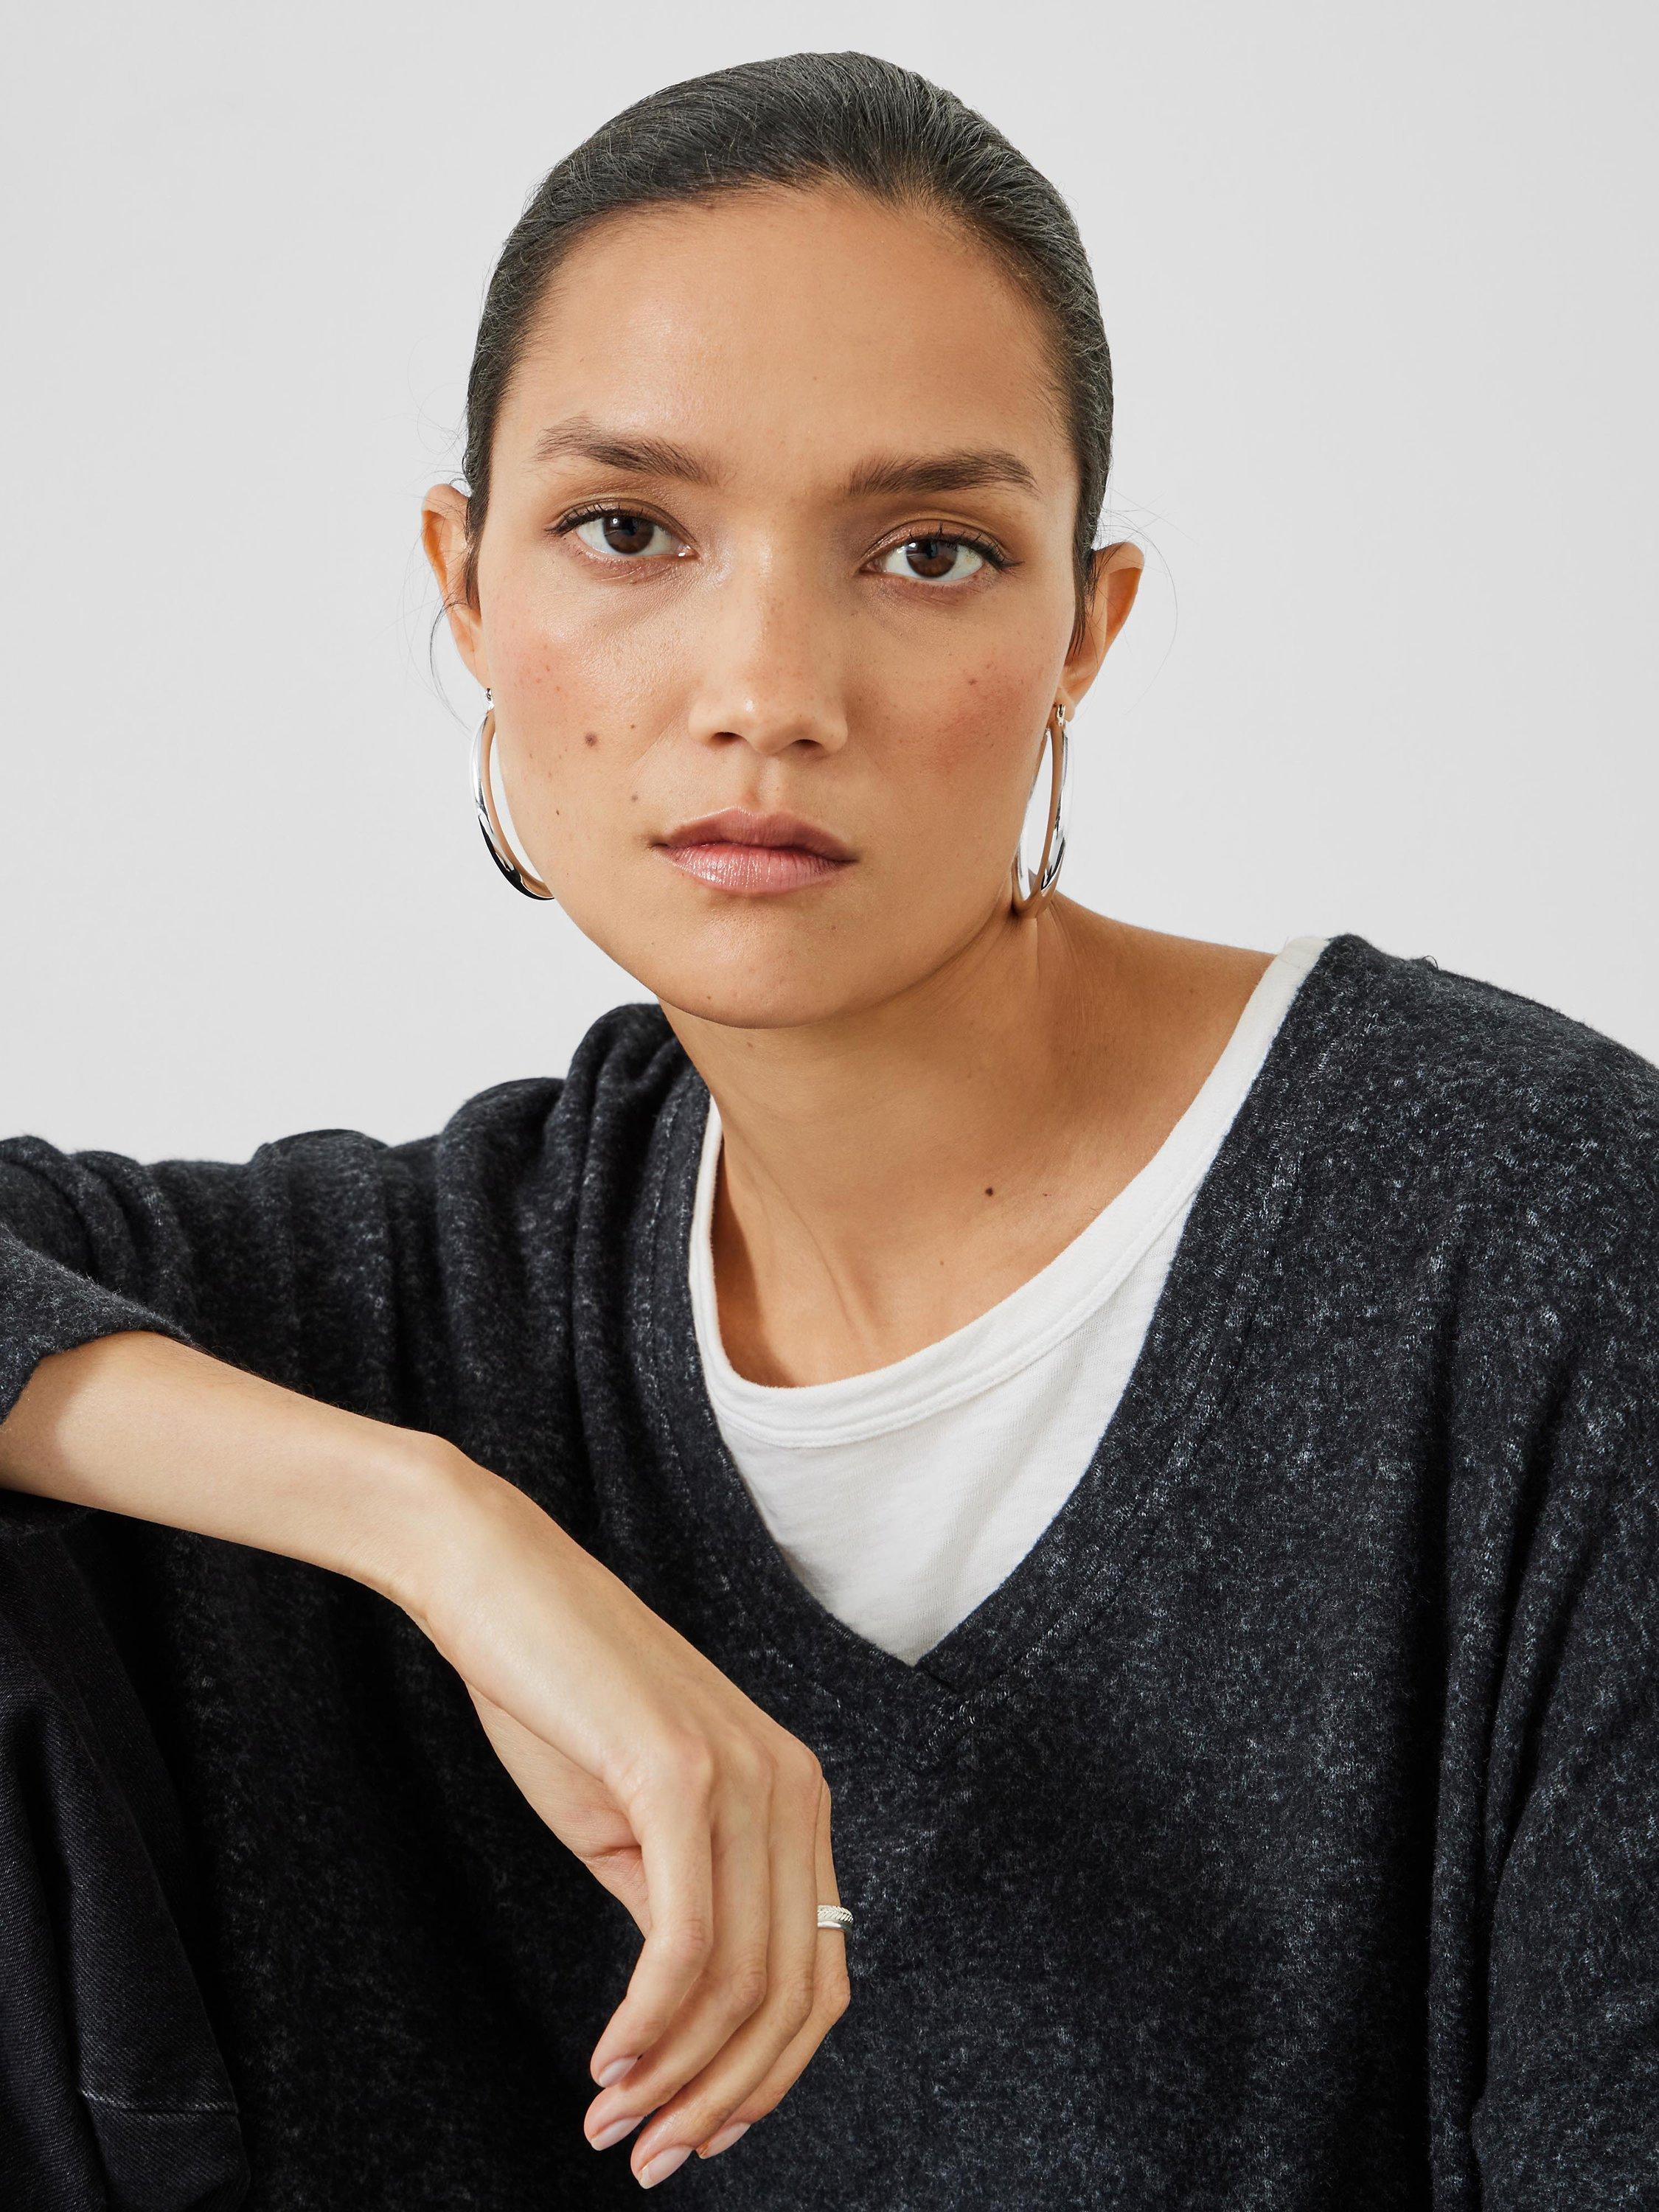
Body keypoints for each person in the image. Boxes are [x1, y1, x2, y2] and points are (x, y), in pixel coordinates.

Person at [1, 48, 1655, 2212]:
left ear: (1084, 631)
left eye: (929, 553)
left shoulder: (1535, 1247)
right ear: (466, 588)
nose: (768, 687)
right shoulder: (427, 1304)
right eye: (628, 532)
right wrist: (439, 1530)